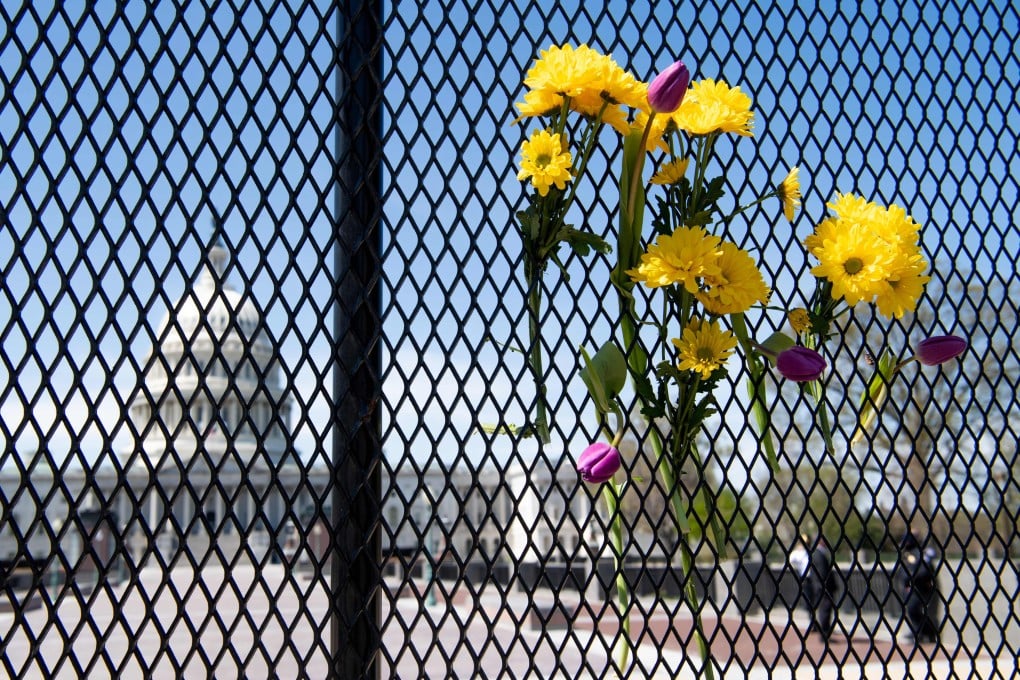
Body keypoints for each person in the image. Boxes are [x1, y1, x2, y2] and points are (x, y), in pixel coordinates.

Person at [894, 532, 939, 644]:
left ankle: (924, 632)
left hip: (921, 587)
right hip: (910, 587)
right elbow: (903, 571)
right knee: (911, 609)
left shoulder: (921, 553)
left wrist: (913, 579)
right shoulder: (907, 554)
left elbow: (924, 570)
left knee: (914, 609)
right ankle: (919, 631)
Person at [804, 534, 837, 639]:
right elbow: (822, 573)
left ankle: (825, 633)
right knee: (825, 609)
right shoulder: (818, 554)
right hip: (823, 588)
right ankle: (825, 634)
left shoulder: (816, 554)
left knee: (825, 609)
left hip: (820, 587)